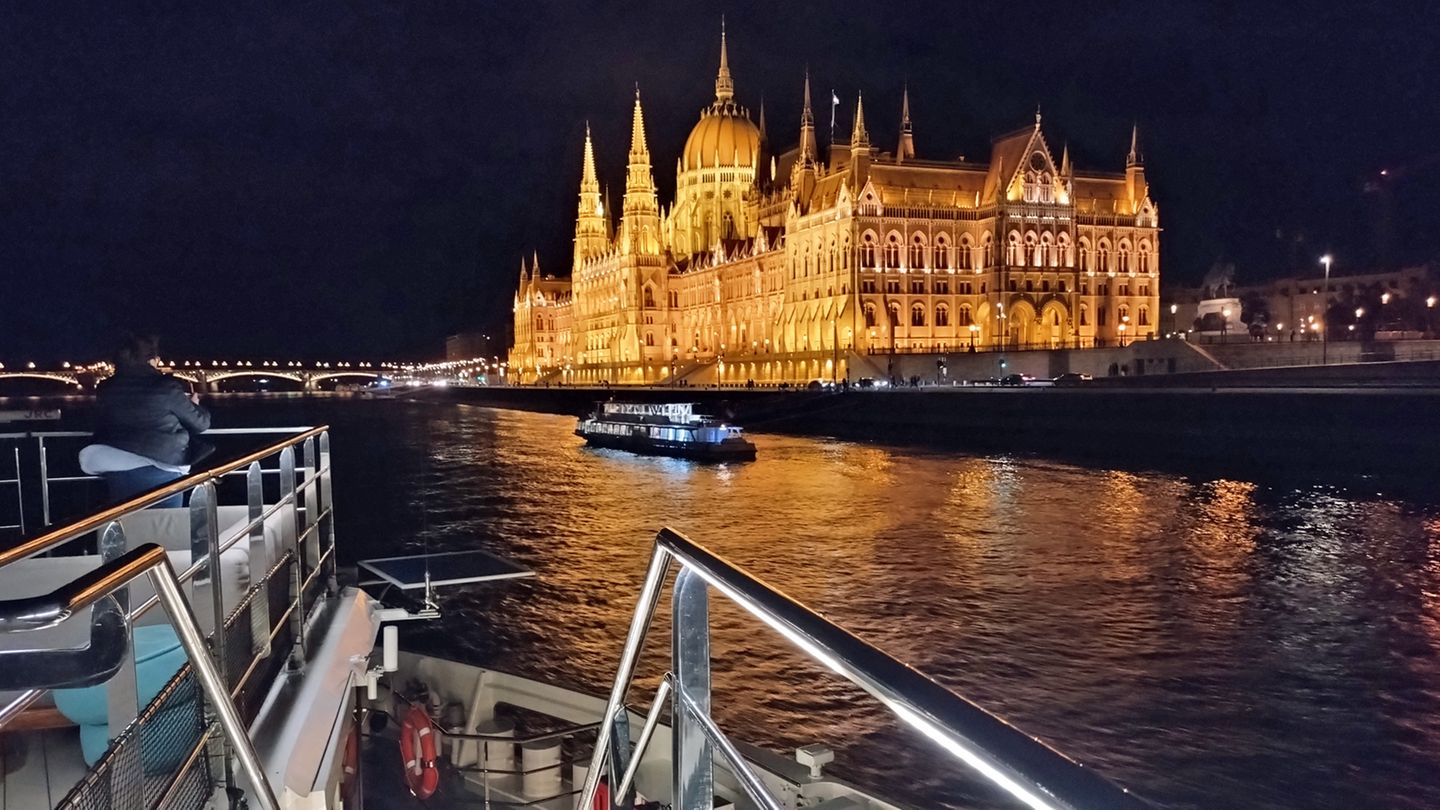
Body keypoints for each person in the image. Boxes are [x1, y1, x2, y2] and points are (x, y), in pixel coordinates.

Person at [80, 334, 212, 507]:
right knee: (164, 524)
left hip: (114, 464)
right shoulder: (165, 386)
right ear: (152, 360)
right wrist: (195, 405)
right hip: (162, 464)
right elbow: (200, 423)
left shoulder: (106, 387)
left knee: (125, 522)